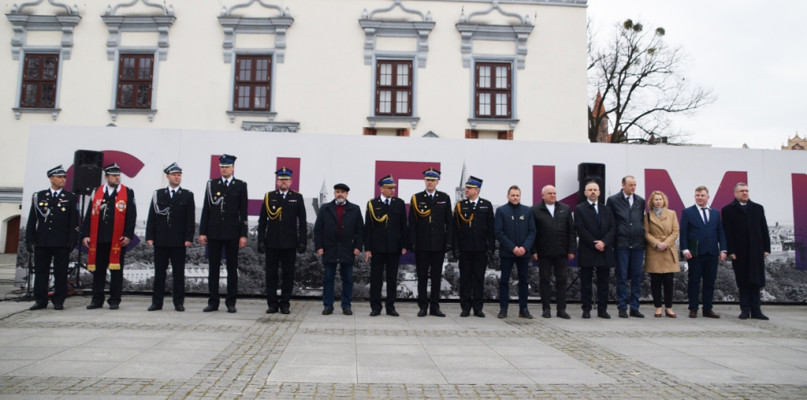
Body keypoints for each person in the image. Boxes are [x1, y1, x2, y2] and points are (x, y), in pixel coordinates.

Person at [81, 162, 136, 310]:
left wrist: (128, 235)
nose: (117, 178)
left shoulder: (127, 192)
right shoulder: (97, 192)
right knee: (98, 270)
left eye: (118, 175)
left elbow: (131, 216)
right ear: (106, 177)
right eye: (114, 175)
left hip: (117, 239)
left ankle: (114, 300)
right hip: (98, 238)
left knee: (116, 271)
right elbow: (89, 215)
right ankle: (97, 299)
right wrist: (86, 234)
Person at [25, 165, 79, 310]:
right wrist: (29, 239)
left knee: (60, 272)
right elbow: (32, 219)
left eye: (64, 177)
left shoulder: (70, 197)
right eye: (59, 177)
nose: (62, 179)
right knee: (41, 271)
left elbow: (74, 221)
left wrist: (73, 239)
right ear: (51, 178)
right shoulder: (39, 196)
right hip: (43, 240)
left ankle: (58, 300)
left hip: (61, 241)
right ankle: (40, 300)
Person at [199, 154, 247, 313]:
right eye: (222, 167)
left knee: (232, 268)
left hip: (232, 233)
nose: (224, 169)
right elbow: (206, 209)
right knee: (213, 268)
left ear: (233, 168)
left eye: (227, 166)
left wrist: (243, 234)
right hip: (214, 232)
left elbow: (243, 212)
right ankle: (213, 302)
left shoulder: (240, 185)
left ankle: (231, 302)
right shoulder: (212, 184)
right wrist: (203, 232)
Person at [145, 163, 195, 312]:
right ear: (168, 176)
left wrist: (188, 238)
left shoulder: (187, 195)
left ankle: (178, 302)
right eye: (174, 175)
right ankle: (157, 302)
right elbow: (152, 217)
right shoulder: (158, 194)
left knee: (178, 273)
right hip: (161, 239)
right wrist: (150, 236)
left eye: (179, 175)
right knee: (159, 273)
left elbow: (189, 219)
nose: (177, 177)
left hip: (179, 241)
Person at [258, 167, 307, 315]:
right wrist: (261, 241)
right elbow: (262, 222)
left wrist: (302, 241)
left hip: (289, 243)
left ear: (291, 181)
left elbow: (303, 222)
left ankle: (285, 303)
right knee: (271, 274)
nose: (283, 182)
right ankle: (272, 304)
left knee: (288, 274)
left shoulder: (297, 197)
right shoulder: (269, 197)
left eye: (286, 179)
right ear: (277, 181)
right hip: (272, 242)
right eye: (281, 179)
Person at [722, 182, 771, 320]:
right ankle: (745, 310)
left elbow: (764, 229)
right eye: (742, 191)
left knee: (756, 281)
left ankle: (756, 310)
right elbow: (728, 232)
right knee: (743, 281)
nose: (745, 193)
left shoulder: (757, 208)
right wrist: (731, 250)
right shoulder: (728, 210)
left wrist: (766, 248)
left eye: (746, 190)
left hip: (756, 250)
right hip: (739, 252)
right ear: (735, 193)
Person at [408, 168, 452, 317]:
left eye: (433, 180)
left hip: (438, 245)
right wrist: (412, 242)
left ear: (437, 181)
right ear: (425, 181)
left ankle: (435, 307)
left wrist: (448, 243)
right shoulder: (417, 198)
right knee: (422, 276)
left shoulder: (444, 198)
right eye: (428, 180)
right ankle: (422, 306)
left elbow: (449, 223)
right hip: (421, 244)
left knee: (435, 276)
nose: (430, 182)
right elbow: (412, 223)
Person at [314, 183, 363, 315]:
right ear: (334, 194)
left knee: (347, 279)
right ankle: (328, 306)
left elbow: (360, 230)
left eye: (342, 192)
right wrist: (319, 246)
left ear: (347, 194)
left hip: (347, 249)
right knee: (328, 278)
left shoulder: (355, 209)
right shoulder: (325, 208)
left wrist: (358, 247)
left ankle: (346, 305)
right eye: (337, 192)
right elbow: (318, 229)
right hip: (329, 248)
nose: (339, 194)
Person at [679, 186, 726, 318]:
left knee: (709, 282)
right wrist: (685, 249)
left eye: (702, 195)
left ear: (707, 197)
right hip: (695, 253)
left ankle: (707, 309)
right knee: (694, 281)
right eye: (697, 195)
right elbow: (684, 232)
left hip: (712, 252)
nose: (700, 198)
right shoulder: (688, 212)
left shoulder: (716, 213)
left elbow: (720, 232)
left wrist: (723, 249)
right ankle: (693, 308)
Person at [531, 185, 576, 319]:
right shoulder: (535, 210)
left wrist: (572, 249)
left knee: (561, 280)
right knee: (544, 280)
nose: (553, 195)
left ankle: (561, 309)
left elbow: (571, 231)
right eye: (550, 193)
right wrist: (533, 250)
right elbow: (532, 232)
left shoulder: (565, 209)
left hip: (561, 251)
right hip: (543, 252)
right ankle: (546, 308)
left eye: (555, 193)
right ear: (543, 195)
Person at [365, 174, 407, 317]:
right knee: (376, 278)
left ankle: (391, 306)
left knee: (392, 278)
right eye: (389, 188)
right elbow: (368, 227)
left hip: (394, 247)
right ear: (382, 189)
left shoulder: (399, 203)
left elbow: (403, 226)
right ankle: (376, 307)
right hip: (377, 247)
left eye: (393, 188)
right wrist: (368, 248)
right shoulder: (372, 204)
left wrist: (404, 245)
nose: (392, 190)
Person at [453, 176, 494, 318]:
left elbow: (491, 230)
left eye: (469, 188)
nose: (466, 190)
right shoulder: (460, 206)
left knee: (478, 279)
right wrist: (456, 249)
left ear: (477, 190)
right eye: (466, 188)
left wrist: (491, 249)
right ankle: (465, 308)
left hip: (481, 249)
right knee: (465, 279)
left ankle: (478, 308)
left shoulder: (486, 205)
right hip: (465, 249)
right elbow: (455, 229)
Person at [574, 180, 616, 319]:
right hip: (588, 249)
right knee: (586, 282)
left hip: (604, 250)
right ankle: (586, 309)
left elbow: (612, 228)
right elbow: (580, 228)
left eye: (595, 189)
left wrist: (604, 242)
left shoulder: (606, 209)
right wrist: (594, 243)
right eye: (590, 189)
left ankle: (602, 309)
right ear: (585, 192)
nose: (593, 192)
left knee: (603, 282)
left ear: (599, 192)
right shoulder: (579, 209)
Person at [606, 175, 646, 318]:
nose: (633, 187)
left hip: (637, 244)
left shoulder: (640, 201)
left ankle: (634, 307)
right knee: (622, 276)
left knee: (636, 275)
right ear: (623, 185)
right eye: (630, 185)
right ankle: (622, 307)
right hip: (621, 243)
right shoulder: (613, 200)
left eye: (635, 184)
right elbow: (610, 221)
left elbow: (641, 220)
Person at [494, 185, 536, 319]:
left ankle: (523, 309)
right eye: (513, 195)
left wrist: (524, 247)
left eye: (517, 195)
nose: (515, 197)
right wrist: (513, 247)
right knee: (504, 281)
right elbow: (499, 232)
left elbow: (532, 231)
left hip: (524, 253)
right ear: (508, 196)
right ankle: (503, 309)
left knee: (524, 281)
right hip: (507, 253)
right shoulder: (501, 211)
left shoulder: (527, 211)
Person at [643, 190, 680, 318]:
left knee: (669, 281)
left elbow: (675, 231)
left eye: (660, 199)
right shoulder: (647, 216)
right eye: (656, 199)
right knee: (655, 281)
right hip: (654, 251)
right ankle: (658, 307)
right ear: (651, 202)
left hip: (668, 251)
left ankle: (669, 307)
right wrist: (657, 243)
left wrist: (666, 243)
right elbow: (646, 233)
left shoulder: (672, 214)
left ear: (664, 201)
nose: (658, 202)